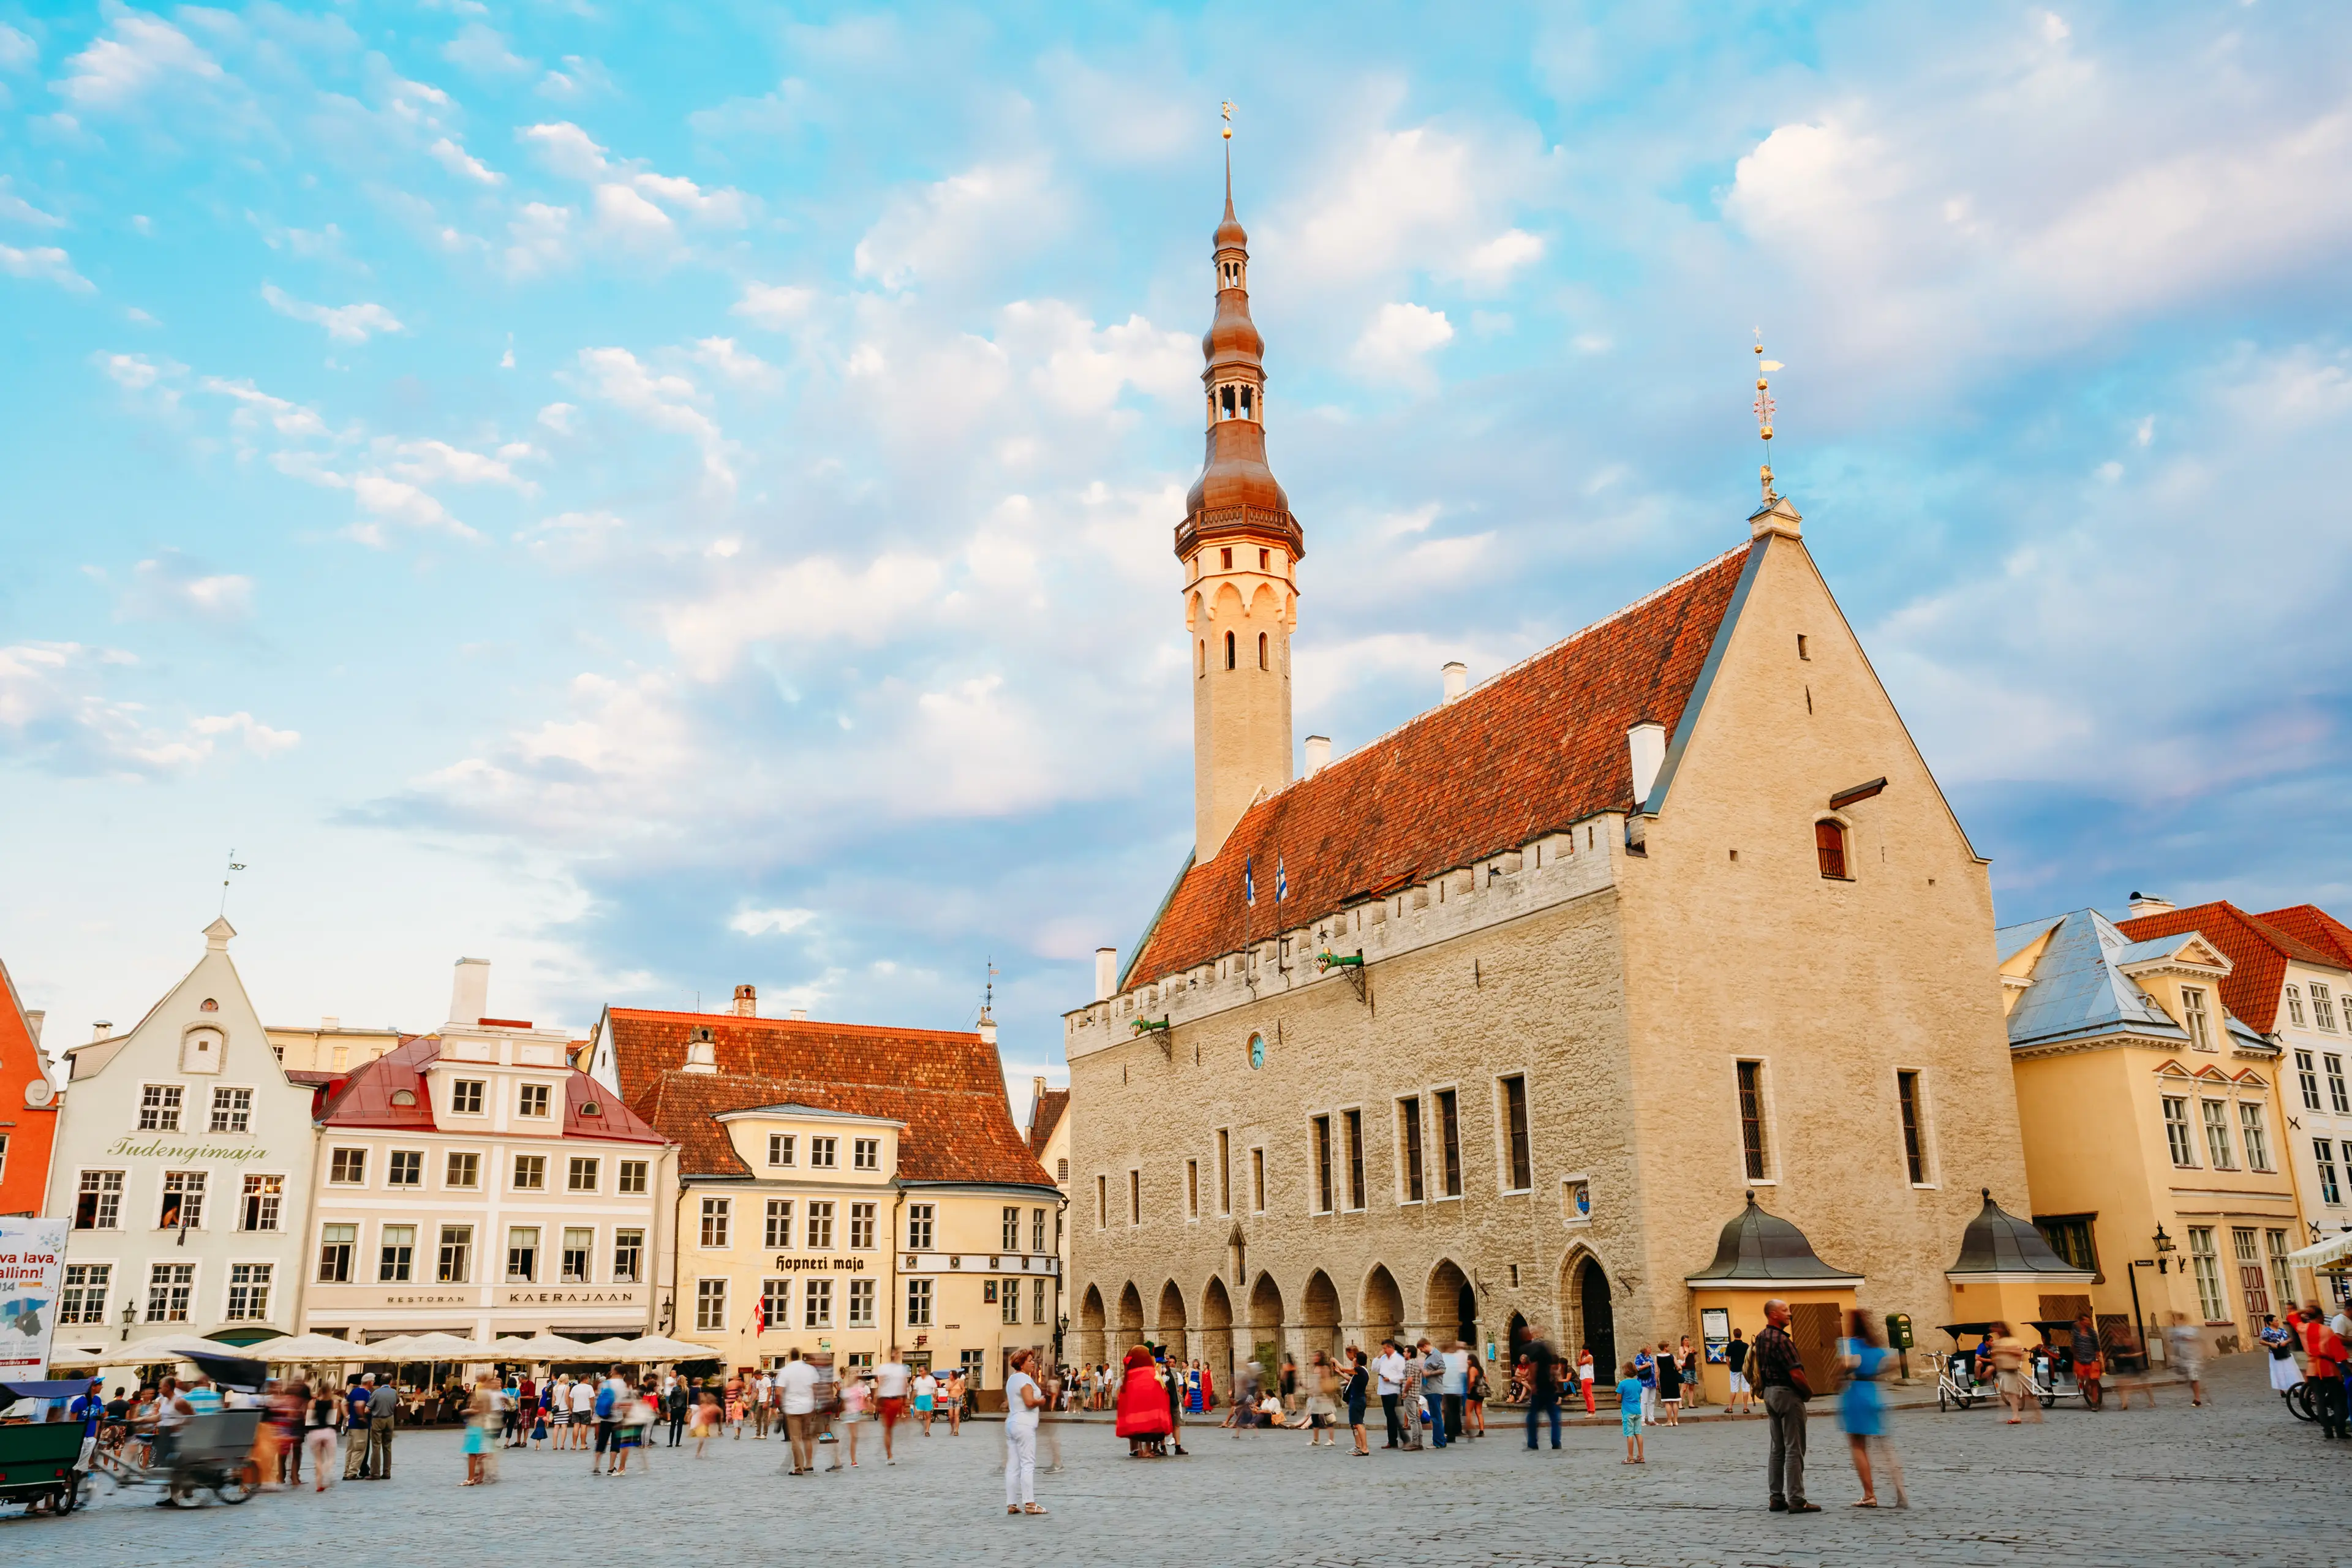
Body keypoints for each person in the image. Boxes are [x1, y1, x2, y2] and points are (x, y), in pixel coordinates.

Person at [1752, 1298, 1817, 1513]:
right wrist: (1808, 1392)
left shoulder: (1761, 1337)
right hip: (1787, 1394)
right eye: (1785, 1310)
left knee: (1777, 1449)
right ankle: (1797, 1499)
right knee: (1794, 1448)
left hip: (1769, 1393)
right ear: (1773, 1315)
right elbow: (1796, 1373)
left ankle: (1776, 1497)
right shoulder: (1782, 1340)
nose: (1790, 1313)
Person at [1838, 1310, 1904, 1507]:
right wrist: (1876, 1370)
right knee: (1885, 1447)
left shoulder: (1849, 1344)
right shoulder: (1874, 1345)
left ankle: (1869, 1494)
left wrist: (1841, 1375)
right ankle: (1900, 1490)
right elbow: (1895, 1361)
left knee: (1859, 1446)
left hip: (1856, 1393)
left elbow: (1845, 1364)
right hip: (1874, 1392)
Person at [1003, 1347, 1048, 1515]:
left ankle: (1012, 1503)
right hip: (1024, 1424)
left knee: (1013, 1465)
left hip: (1012, 1422)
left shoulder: (1012, 1379)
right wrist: (1041, 1401)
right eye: (1030, 1361)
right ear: (1022, 1364)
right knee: (1028, 1464)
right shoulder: (1024, 1379)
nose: (1033, 1363)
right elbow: (1029, 1402)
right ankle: (1030, 1503)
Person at [1115, 1344, 1172, 1457]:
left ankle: (1141, 1450)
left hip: (1136, 1412)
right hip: (1148, 1412)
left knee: (1138, 1431)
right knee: (1146, 1430)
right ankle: (1146, 1450)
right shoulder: (1150, 1375)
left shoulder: (1131, 1378)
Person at [2301, 1305, 2347, 1439]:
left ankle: (2327, 1430)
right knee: (2338, 1399)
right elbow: (2338, 1352)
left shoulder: (2303, 1329)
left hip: (2313, 1368)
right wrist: (2348, 1366)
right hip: (2328, 1368)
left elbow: (2292, 1317)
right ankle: (2340, 1430)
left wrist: (2302, 1311)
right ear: (2321, 1317)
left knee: (2320, 1401)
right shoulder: (2327, 1331)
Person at [778, 1346, 822, 1475]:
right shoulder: (810, 1369)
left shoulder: (786, 1371)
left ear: (791, 1357)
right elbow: (815, 1389)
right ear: (800, 1355)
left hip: (793, 1409)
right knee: (807, 1437)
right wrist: (814, 1404)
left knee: (796, 1439)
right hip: (808, 1407)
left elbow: (779, 1391)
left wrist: (782, 1405)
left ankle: (799, 1468)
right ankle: (809, 1464)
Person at [1987, 1322, 2039, 1425]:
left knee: (2013, 1394)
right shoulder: (1998, 1342)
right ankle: (2032, 1415)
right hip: (2003, 1370)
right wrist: (1992, 1367)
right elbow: (1996, 1357)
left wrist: (2005, 1350)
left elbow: (2020, 1354)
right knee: (2012, 1394)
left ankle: (2018, 1416)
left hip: (2012, 1369)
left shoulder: (2012, 1341)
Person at [1520, 1325, 1562, 1450]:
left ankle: (1532, 1443)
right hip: (1548, 1386)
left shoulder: (1530, 1349)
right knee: (1554, 1415)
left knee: (1532, 1416)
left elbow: (1533, 1366)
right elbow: (1553, 1368)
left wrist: (1533, 1384)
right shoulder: (1545, 1347)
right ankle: (1556, 1442)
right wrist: (1554, 1383)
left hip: (1540, 1387)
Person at [303, 1379, 341, 1492]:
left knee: (318, 1460)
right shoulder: (334, 1403)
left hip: (315, 1433)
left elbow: (307, 1419)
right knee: (330, 1459)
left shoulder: (312, 1403)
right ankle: (326, 1473)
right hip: (328, 1432)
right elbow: (336, 1419)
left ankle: (319, 1484)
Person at [875, 1349, 912, 1463]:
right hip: (886, 1399)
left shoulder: (901, 1369)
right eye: (893, 1353)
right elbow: (880, 1384)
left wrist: (905, 1402)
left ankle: (889, 1449)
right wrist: (877, 1401)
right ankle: (889, 1455)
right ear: (890, 1355)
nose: (895, 1355)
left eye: (897, 1353)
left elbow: (904, 1385)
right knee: (888, 1429)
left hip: (898, 1399)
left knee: (892, 1427)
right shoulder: (884, 1368)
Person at [2165, 1313, 2206, 1407]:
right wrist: (2171, 1354)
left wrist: (2188, 1339)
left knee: (2194, 1378)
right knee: (2189, 1379)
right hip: (2181, 1358)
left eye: (2175, 1319)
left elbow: (2198, 1340)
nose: (2174, 1321)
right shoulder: (2173, 1331)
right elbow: (2170, 1342)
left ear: (2182, 1320)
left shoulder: (2191, 1330)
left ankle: (2197, 1399)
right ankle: (2198, 1391)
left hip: (2192, 1358)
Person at [1374, 1339, 1407, 1448]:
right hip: (1383, 1390)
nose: (1383, 1350)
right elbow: (1374, 1368)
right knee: (1389, 1416)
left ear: (1390, 1348)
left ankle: (1401, 1438)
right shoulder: (1383, 1358)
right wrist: (1378, 1357)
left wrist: (1391, 1379)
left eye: (1385, 1348)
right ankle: (1392, 1440)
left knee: (1392, 1416)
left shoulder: (1399, 1359)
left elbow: (1402, 1376)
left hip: (1393, 1390)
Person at [365, 1372, 398, 1479]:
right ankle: (387, 1472)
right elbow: (396, 1404)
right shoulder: (394, 1392)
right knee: (387, 1446)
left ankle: (375, 1473)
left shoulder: (376, 1393)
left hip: (378, 1419)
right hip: (390, 1419)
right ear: (390, 1382)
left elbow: (367, 1409)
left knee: (376, 1446)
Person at [1303, 1350, 1338, 1446]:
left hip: (1324, 1397)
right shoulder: (1314, 1368)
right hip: (1315, 1397)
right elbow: (1312, 1384)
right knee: (1315, 1418)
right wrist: (1306, 1387)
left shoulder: (1324, 1368)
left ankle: (1331, 1440)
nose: (1314, 1358)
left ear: (1320, 1358)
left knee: (1329, 1419)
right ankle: (1316, 1439)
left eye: (1316, 1356)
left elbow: (1327, 1382)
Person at [2073, 1313, 2108, 1411]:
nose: (2087, 1322)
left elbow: (2097, 1347)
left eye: (2088, 1320)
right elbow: (2075, 1346)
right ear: (2081, 1322)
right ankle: (2093, 1398)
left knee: (2093, 1382)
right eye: (2085, 1320)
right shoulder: (2076, 1333)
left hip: (2091, 1361)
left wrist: (2098, 1359)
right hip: (2080, 1361)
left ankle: (2095, 1402)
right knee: (2083, 1382)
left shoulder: (2092, 1333)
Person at [1341, 1346, 1371, 1456]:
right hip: (1358, 1399)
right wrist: (1339, 1372)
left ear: (1357, 1361)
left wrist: (1335, 1362)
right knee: (1356, 1424)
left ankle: (1364, 1448)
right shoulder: (1362, 1371)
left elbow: (1344, 1369)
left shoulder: (1359, 1370)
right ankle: (1360, 1447)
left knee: (1359, 1424)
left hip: (1357, 1400)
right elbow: (1351, 1380)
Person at [1616, 1362, 1645, 1464]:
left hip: (1628, 1411)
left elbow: (1618, 1399)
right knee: (1638, 1433)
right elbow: (1639, 1394)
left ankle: (1630, 1457)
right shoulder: (1638, 1383)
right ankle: (1641, 1456)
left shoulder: (1622, 1384)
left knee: (1630, 1434)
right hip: (1637, 1410)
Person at [1725, 1327, 1754, 1415]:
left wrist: (1730, 1367)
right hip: (1744, 1370)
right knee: (1745, 1388)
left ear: (1734, 1335)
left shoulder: (1730, 1345)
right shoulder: (1745, 1346)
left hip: (1734, 1369)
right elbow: (1749, 1358)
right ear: (1741, 1335)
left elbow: (1727, 1358)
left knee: (1734, 1389)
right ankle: (1745, 1408)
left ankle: (1730, 1407)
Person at [1655, 1341, 1683, 1425]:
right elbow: (1679, 1367)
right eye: (1668, 1346)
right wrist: (1675, 1371)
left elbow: (1657, 1371)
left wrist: (1656, 1381)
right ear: (1665, 1348)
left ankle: (1669, 1421)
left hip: (1664, 1379)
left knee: (1667, 1401)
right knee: (1675, 1401)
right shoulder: (1672, 1356)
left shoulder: (1657, 1358)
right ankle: (1676, 1420)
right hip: (1673, 1378)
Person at [1464, 1349, 1488, 1436]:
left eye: (1469, 1359)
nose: (1467, 1361)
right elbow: (1486, 1379)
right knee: (1479, 1412)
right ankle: (1481, 1431)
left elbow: (1472, 1381)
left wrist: (1469, 1390)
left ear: (1472, 1361)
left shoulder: (1472, 1369)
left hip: (1474, 1391)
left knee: (1468, 1411)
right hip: (1481, 1392)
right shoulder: (1480, 1369)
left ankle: (1470, 1430)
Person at [1633, 1344, 1657, 1425]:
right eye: (1649, 1348)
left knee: (1652, 1401)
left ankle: (1651, 1419)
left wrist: (1656, 1381)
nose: (1651, 1349)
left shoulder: (1650, 1357)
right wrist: (1645, 1365)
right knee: (1644, 1401)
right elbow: (1636, 1368)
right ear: (1645, 1349)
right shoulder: (1639, 1357)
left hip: (1652, 1382)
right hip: (1644, 1382)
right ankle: (1642, 1419)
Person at [914, 1366, 939, 1435]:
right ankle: (923, 1425)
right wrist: (912, 1399)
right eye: (919, 1371)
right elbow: (915, 1390)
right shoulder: (918, 1379)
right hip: (920, 1397)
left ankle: (927, 1431)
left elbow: (935, 1389)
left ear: (925, 1371)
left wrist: (935, 1398)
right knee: (916, 1414)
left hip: (928, 1397)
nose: (920, 1372)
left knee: (928, 1415)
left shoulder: (931, 1379)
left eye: (921, 1371)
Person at [1577, 1346, 1597, 1415]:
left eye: (1583, 1350)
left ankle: (1592, 1411)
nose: (1582, 1351)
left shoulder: (1589, 1357)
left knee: (1589, 1395)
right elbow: (1578, 1364)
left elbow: (1580, 1363)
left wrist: (1580, 1355)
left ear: (1587, 1350)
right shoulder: (1585, 1358)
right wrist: (1581, 1357)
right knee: (1585, 1395)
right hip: (1584, 1378)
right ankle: (1589, 1410)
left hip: (1587, 1378)